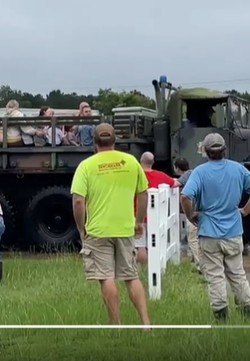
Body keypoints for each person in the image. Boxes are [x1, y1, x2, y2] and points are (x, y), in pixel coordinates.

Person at [70, 123, 151, 328]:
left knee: (106, 277)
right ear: (115, 141)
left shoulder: (86, 166)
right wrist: (139, 221)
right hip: (125, 228)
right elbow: (142, 193)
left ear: (95, 143)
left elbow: (78, 201)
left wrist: (82, 228)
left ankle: (115, 324)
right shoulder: (131, 162)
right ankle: (145, 322)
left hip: (98, 230)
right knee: (131, 276)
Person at [180, 133, 250, 320]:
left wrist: (190, 215)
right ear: (224, 150)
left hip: (208, 233)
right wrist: (245, 210)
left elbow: (185, 196)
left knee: (215, 276)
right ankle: (246, 312)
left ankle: (221, 316)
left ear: (205, 151)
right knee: (237, 273)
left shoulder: (200, 172)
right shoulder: (237, 169)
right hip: (234, 231)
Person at [135, 152, 177, 265]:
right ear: (153, 162)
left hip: (138, 215)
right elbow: (175, 183)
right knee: (153, 243)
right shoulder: (160, 175)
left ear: (141, 161)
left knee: (140, 245)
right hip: (155, 217)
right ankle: (154, 265)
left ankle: (144, 268)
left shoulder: (136, 175)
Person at [173, 157, 203, 274]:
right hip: (201, 210)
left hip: (194, 211)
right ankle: (194, 261)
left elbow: (176, 183)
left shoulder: (186, 175)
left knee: (193, 239)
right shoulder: (194, 173)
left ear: (177, 168)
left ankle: (201, 267)